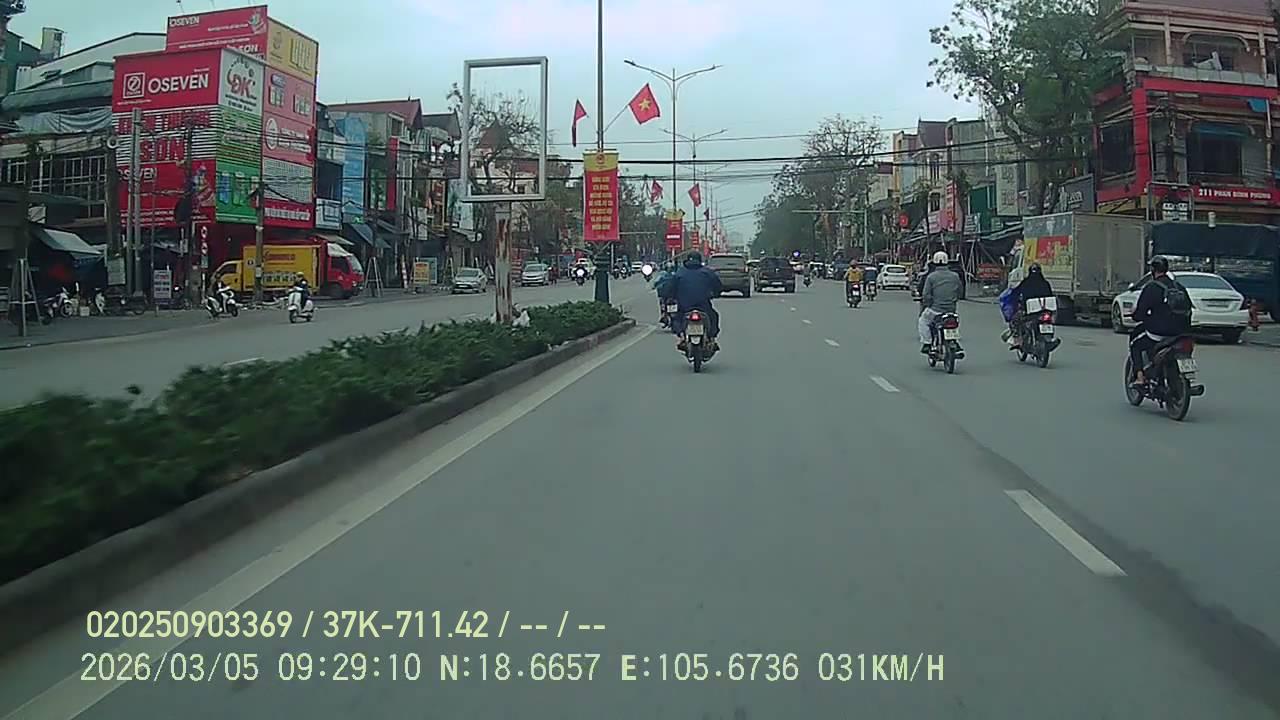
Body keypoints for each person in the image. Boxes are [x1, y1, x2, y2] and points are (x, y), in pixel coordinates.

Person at [1129, 256, 1192, 387]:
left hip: (1160, 333)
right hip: (1181, 333)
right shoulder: (1179, 287)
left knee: (1135, 344)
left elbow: (1140, 314)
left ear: (1153, 270)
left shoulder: (1151, 287)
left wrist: (1135, 315)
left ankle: (1140, 377)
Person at [669, 251, 723, 350]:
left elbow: (671, 288)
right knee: (714, 316)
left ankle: (682, 337)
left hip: (685, 306)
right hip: (703, 306)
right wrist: (716, 293)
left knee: (677, 318)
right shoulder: (707, 272)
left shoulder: (680, 273)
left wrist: (672, 297)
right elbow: (718, 286)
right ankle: (712, 339)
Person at [918, 251, 962, 354]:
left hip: (935, 310)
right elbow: (960, 292)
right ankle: (954, 341)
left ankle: (927, 343)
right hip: (951, 310)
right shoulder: (955, 276)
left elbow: (926, 295)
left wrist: (927, 304)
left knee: (923, 321)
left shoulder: (931, 277)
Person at [1005, 263, 1054, 347]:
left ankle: (1017, 340)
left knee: (1014, 320)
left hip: (1029, 311)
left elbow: (1017, 292)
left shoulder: (1026, 282)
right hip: (1044, 310)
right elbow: (1050, 295)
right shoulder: (1045, 283)